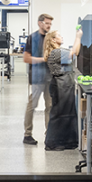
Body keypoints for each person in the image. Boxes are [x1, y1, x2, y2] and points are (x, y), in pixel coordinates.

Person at [42, 26, 83, 150]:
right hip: (61, 85)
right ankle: (52, 143)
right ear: (53, 40)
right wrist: (78, 36)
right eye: (59, 35)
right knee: (59, 115)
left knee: (67, 114)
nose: (62, 37)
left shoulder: (58, 50)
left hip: (64, 84)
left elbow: (75, 52)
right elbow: (74, 53)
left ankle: (68, 142)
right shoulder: (56, 52)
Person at [22, 13, 54, 145]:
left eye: (50, 24)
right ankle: (27, 135)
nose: (49, 26)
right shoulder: (32, 38)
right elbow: (26, 58)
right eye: (47, 23)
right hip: (36, 78)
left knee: (50, 106)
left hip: (49, 77)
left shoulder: (50, 38)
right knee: (32, 106)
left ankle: (49, 135)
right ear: (40, 23)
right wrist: (43, 59)